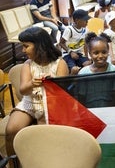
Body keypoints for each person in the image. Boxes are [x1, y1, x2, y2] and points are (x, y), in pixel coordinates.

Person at [5, 27, 69, 168]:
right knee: (11, 130)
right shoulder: (28, 64)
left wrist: (53, 82)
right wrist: (32, 84)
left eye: (26, 46)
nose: (23, 50)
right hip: (30, 101)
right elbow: (23, 90)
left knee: (45, 135)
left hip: (53, 103)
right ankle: (13, 164)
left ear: (40, 45)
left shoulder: (60, 63)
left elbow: (62, 92)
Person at [59, 9, 91, 75]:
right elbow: (61, 43)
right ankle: (70, 79)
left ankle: (80, 75)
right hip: (68, 54)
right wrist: (70, 52)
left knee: (88, 64)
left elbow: (85, 44)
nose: (87, 22)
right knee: (74, 69)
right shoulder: (69, 30)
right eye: (85, 20)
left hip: (78, 54)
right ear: (77, 20)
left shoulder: (85, 30)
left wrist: (87, 56)